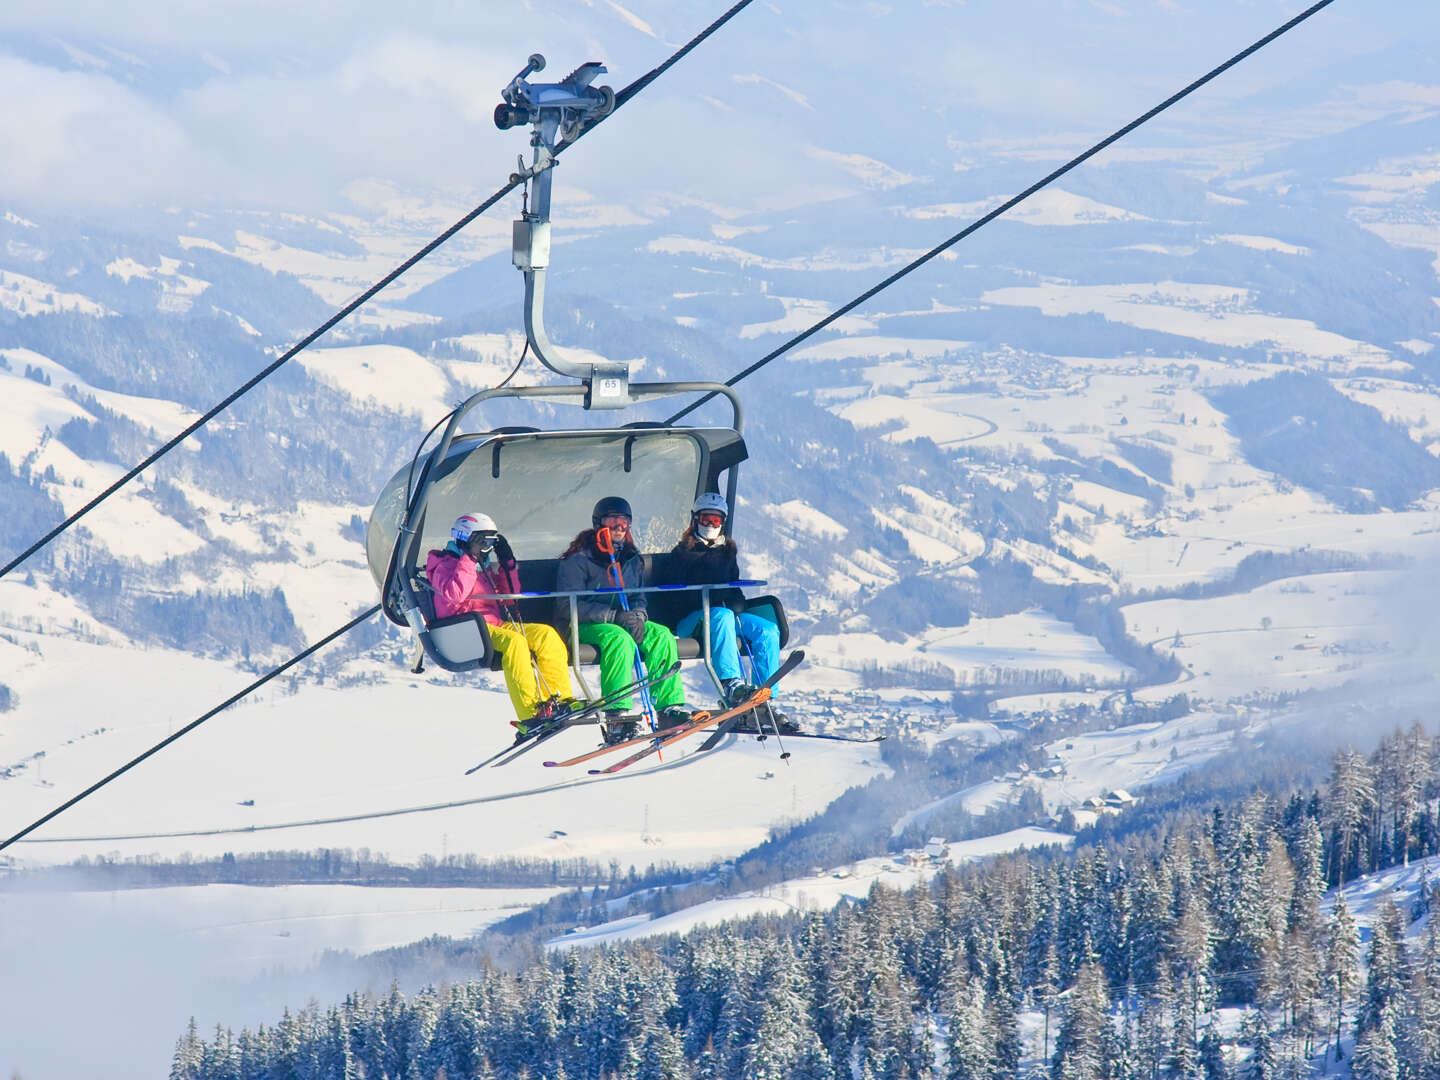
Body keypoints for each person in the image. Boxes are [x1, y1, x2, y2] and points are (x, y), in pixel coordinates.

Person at [556, 496, 690, 743]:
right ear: (599, 523)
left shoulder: (630, 558)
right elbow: (567, 605)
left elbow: (639, 597)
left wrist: (638, 617)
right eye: (612, 520)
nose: (619, 527)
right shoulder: (578, 559)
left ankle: (668, 708)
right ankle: (616, 715)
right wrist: (614, 616)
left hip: (623, 620)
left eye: (624, 521)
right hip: (584, 626)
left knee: (661, 635)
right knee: (620, 641)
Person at [427, 512, 574, 736]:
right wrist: (468, 559)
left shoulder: (481, 566)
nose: (486, 548)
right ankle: (530, 713)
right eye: (482, 542)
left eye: (491, 543)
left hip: (493, 625)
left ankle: (560, 700)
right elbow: (454, 594)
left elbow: (509, 596)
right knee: (514, 642)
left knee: (546, 635)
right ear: (465, 539)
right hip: (464, 628)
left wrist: (508, 564)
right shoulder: (443, 564)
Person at [667, 493, 796, 732]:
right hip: (692, 620)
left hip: (723, 614)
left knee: (767, 630)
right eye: (706, 519)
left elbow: (733, 587)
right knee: (722, 615)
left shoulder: (726, 552)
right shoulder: (682, 554)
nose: (710, 525)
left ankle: (763, 698)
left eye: (716, 521)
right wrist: (716, 599)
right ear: (695, 520)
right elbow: (677, 596)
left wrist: (738, 602)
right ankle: (732, 684)